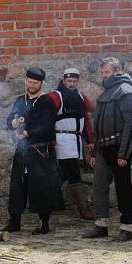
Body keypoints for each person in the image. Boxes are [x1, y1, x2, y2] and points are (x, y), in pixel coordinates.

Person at [83, 57, 132, 242]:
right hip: (103, 148)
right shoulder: (105, 93)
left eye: (107, 72)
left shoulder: (127, 92)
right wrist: (94, 152)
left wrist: (123, 153)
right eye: (102, 73)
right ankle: (101, 225)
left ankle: (126, 227)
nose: (104, 76)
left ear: (117, 71)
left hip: (119, 148)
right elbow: (99, 124)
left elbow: (130, 126)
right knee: (99, 186)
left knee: (123, 188)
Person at [2, 67, 64, 235]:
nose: (32, 85)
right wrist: (13, 124)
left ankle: (43, 223)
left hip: (40, 151)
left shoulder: (47, 101)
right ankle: (14, 221)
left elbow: (48, 126)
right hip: (22, 151)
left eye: (35, 83)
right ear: (26, 81)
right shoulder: (21, 100)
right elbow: (10, 120)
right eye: (29, 82)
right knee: (16, 185)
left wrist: (29, 133)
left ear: (41, 84)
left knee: (42, 187)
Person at [52, 68, 95, 220]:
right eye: (69, 81)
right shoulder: (55, 97)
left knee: (63, 173)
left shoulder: (81, 98)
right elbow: (48, 119)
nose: (71, 84)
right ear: (64, 81)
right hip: (61, 140)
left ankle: (51, 205)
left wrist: (89, 140)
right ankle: (82, 210)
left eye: (74, 81)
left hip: (75, 140)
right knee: (71, 174)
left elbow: (85, 122)